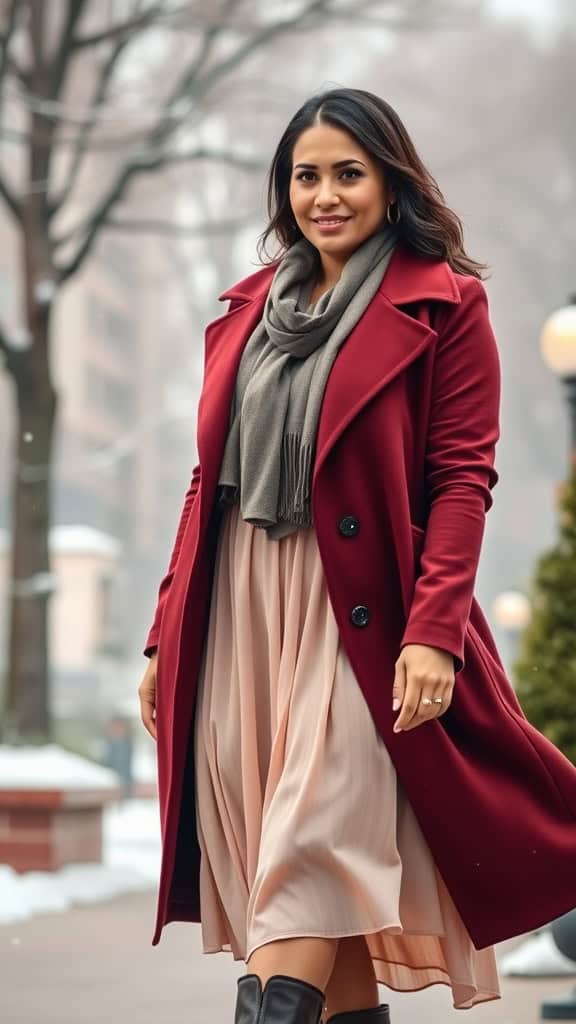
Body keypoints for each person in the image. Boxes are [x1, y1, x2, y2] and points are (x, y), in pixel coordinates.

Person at [138, 88, 576, 1024]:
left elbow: (462, 482)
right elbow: (203, 480)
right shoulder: (251, 313)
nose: (325, 195)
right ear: (283, 188)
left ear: (390, 183)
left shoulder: (447, 303)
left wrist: (436, 632)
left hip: (362, 616)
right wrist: (163, 630)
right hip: (243, 613)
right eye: (307, 175)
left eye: (349, 173)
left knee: (310, 853)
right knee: (313, 908)